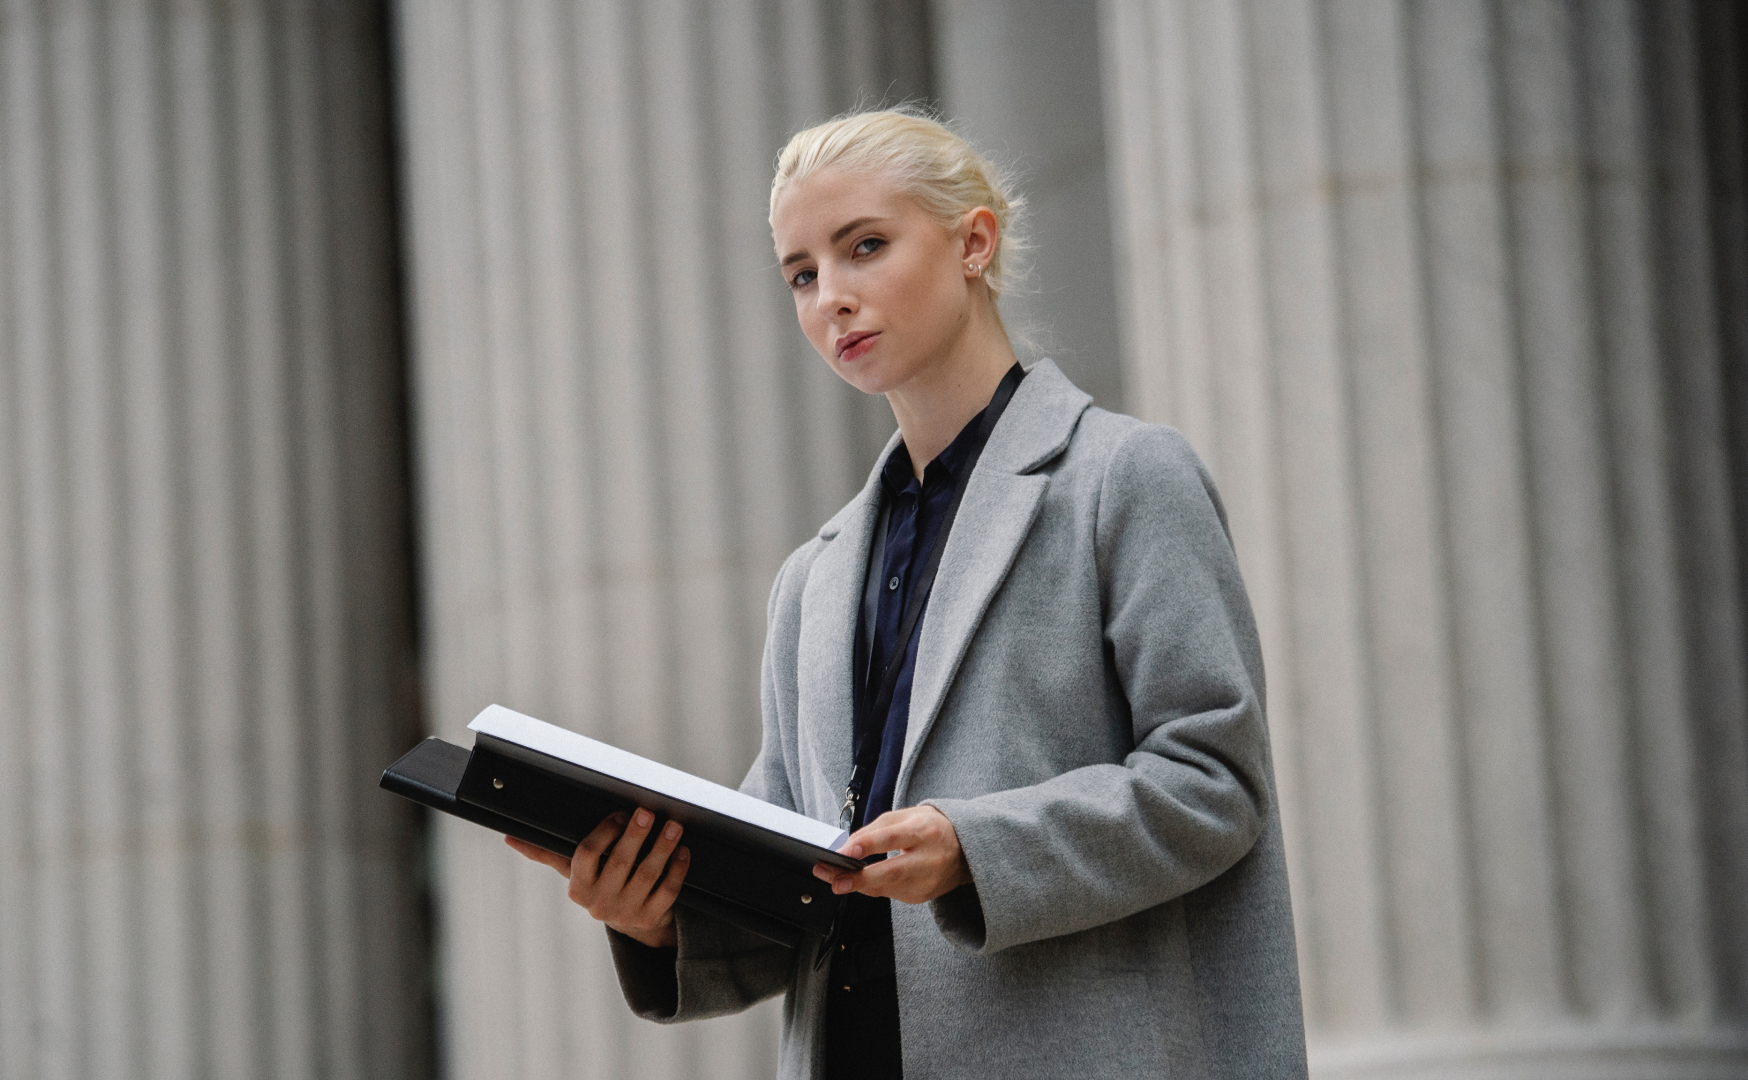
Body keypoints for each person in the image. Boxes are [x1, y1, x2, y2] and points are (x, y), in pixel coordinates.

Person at [504, 106, 1308, 1080]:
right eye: (802, 274)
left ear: (975, 241)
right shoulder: (812, 581)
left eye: (865, 247)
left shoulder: (1122, 478)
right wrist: (658, 915)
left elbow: (1214, 782)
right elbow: (791, 883)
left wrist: (976, 844)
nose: (830, 297)